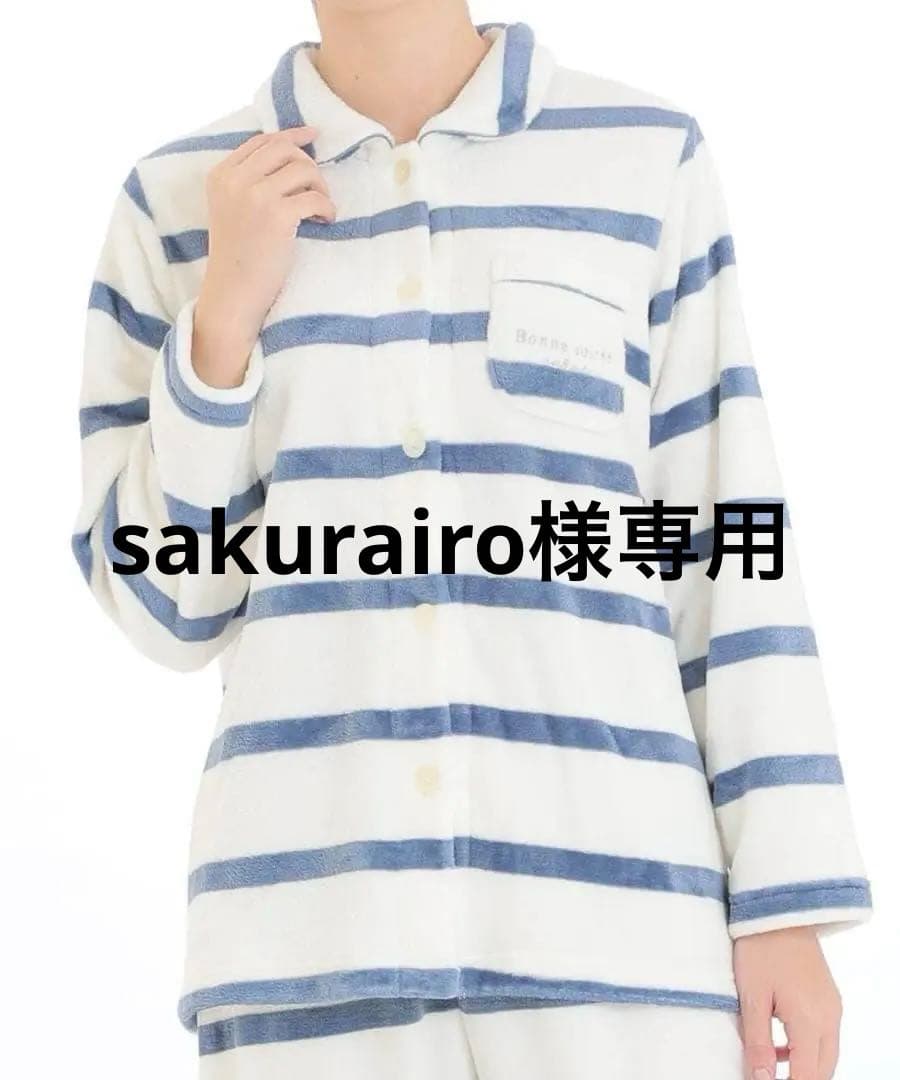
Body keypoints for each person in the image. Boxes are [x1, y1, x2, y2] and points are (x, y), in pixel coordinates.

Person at [71, 2, 872, 1077]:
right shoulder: (179, 200)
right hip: (312, 960)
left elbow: (727, 544)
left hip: (621, 947)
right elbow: (164, 610)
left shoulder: (643, 161)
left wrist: (784, 903)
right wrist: (221, 325)